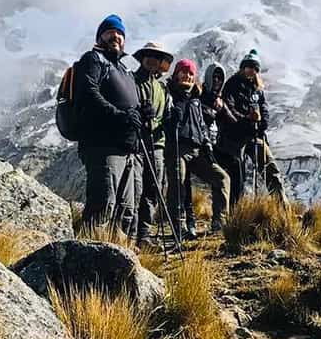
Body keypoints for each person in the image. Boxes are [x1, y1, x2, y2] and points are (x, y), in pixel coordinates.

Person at [73, 15, 150, 237]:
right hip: (103, 146)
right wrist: (120, 115)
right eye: (109, 32)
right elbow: (88, 93)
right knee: (103, 204)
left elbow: (130, 109)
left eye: (120, 33)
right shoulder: (93, 60)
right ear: (100, 37)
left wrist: (142, 114)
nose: (115, 36)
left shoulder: (125, 70)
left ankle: (119, 262)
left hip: (130, 151)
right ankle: (87, 262)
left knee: (127, 210)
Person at [167, 59, 229, 236]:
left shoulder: (195, 99)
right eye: (183, 72)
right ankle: (178, 227)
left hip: (198, 150)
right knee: (178, 186)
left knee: (222, 178)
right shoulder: (169, 94)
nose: (187, 76)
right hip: (177, 148)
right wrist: (172, 120)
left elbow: (201, 124)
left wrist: (207, 144)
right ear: (176, 74)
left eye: (191, 73)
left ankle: (219, 224)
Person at [213, 49, 277, 204]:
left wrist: (261, 124)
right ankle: (236, 214)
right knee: (238, 177)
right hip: (235, 138)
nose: (251, 70)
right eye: (248, 67)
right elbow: (229, 109)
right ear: (242, 67)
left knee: (271, 170)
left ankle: (283, 210)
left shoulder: (257, 90)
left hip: (255, 136)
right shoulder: (232, 84)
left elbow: (264, 110)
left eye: (255, 68)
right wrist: (248, 120)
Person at [130, 41, 174, 245]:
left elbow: (165, 118)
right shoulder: (130, 81)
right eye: (148, 55)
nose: (152, 60)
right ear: (142, 58)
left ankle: (144, 234)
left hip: (156, 145)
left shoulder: (161, 88)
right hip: (136, 144)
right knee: (135, 189)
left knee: (152, 189)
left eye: (156, 57)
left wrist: (171, 119)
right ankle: (130, 234)